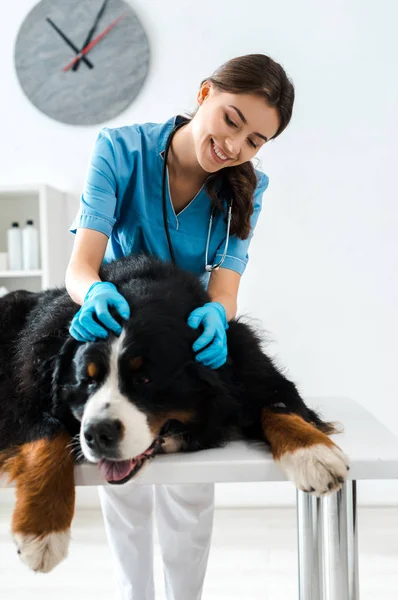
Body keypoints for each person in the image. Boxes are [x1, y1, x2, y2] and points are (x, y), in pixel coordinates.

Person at [66, 53, 295, 600]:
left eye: (257, 140)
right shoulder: (120, 150)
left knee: (191, 484)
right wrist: (92, 291)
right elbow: (80, 266)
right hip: (118, 328)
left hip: (180, 343)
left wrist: (217, 316)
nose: (236, 147)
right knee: (120, 477)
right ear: (204, 94)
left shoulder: (248, 187)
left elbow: (225, 290)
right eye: (232, 119)